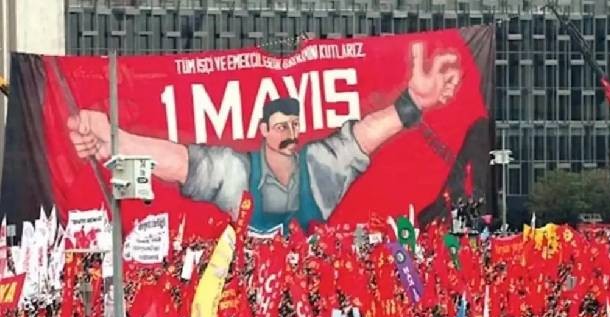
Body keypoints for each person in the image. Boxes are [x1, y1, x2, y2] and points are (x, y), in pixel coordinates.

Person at [68, 43, 462, 235]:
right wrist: (120, 142)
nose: (289, 134)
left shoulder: (317, 169)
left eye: (294, 125)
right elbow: (183, 162)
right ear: (263, 131)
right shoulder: (238, 173)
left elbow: (361, 138)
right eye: (280, 126)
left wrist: (412, 104)